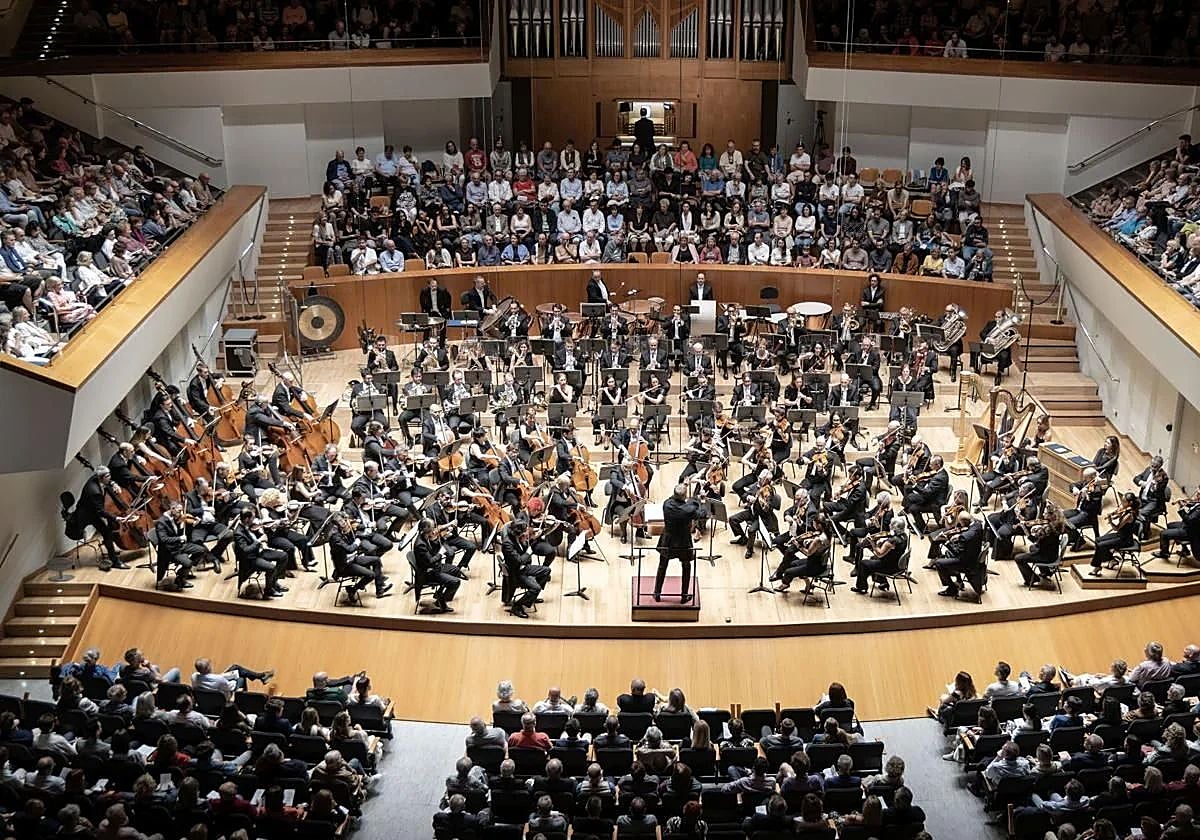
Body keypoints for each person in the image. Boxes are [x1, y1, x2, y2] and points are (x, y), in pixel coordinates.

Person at [654, 484, 703, 603]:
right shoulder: (688, 509)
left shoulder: (666, 504)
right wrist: (698, 500)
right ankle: (684, 596)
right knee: (686, 567)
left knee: (662, 565)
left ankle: (657, 593)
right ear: (684, 497)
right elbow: (700, 514)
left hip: (668, 539)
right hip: (683, 541)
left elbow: (672, 498)